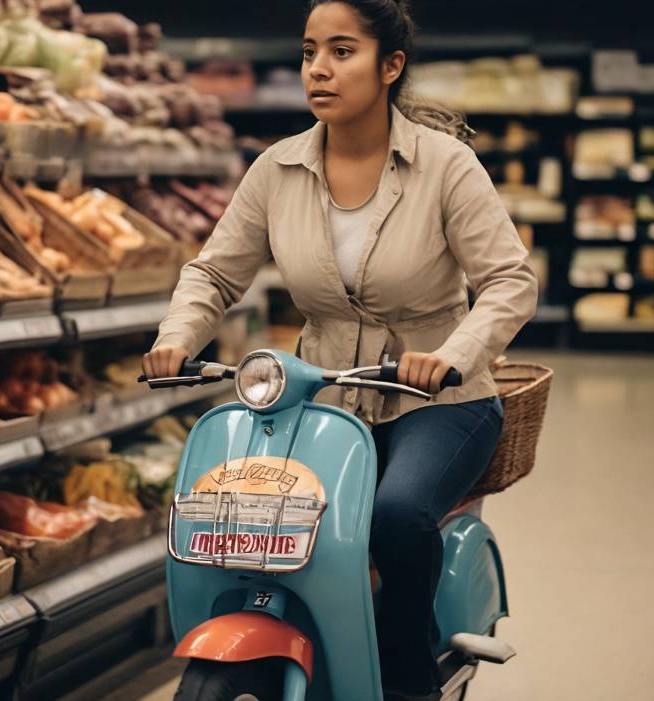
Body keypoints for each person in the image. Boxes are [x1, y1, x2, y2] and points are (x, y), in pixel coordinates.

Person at [143, 1, 538, 698]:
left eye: (341, 51)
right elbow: (213, 271)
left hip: (440, 400)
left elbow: (509, 279)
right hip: (322, 400)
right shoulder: (277, 169)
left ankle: (411, 675)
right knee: (252, 513)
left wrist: (451, 352)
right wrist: (177, 336)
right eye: (307, 52)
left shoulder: (446, 166)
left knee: (395, 514)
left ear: (392, 66)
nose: (318, 69)